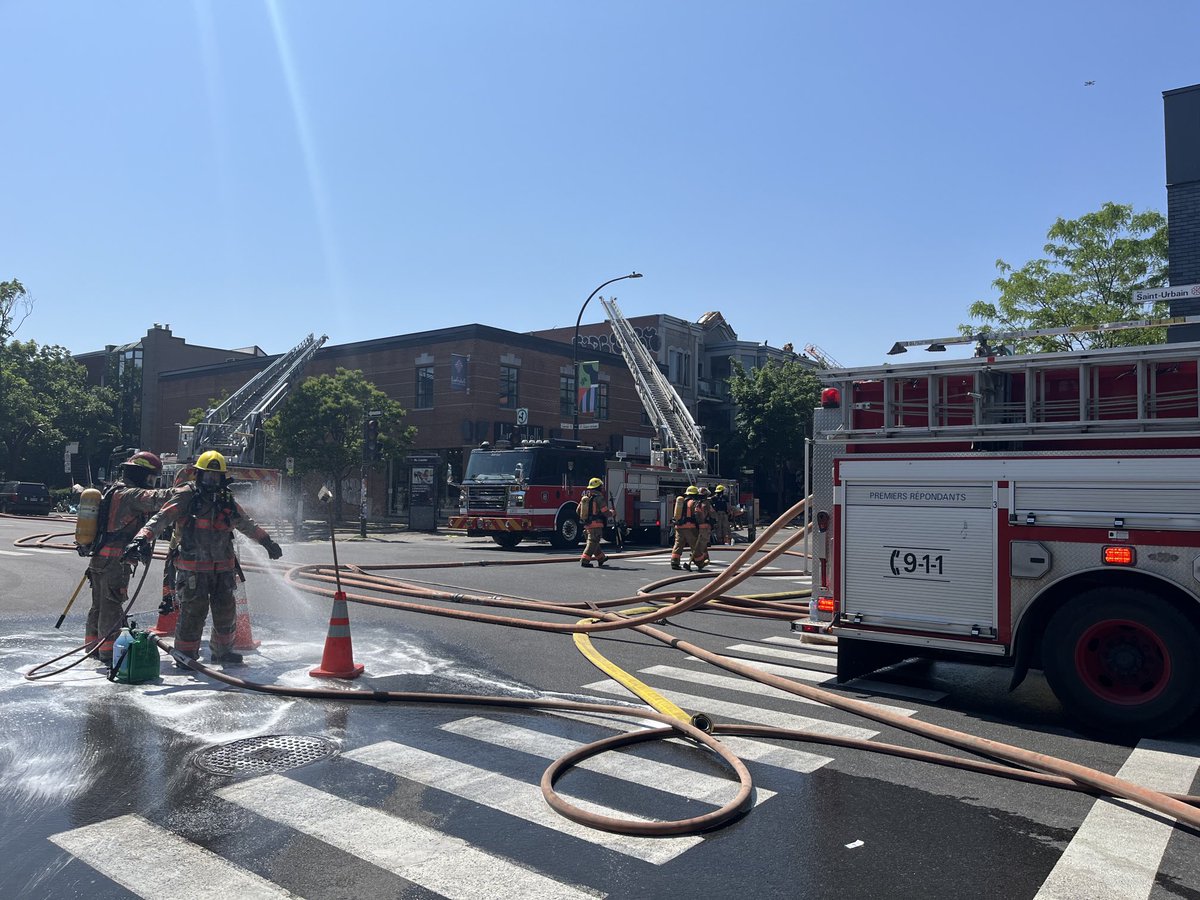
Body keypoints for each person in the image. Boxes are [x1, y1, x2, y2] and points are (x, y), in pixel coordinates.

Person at [125, 450, 282, 667]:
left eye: (215, 477)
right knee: (192, 614)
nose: (211, 481)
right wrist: (141, 539)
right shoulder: (186, 495)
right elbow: (161, 518)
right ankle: (185, 655)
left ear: (222, 478)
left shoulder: (227, 499)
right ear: (198, 475)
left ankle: (223, 652)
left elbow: (246, 524)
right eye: (207, 476)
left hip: (223, 570)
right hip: (193, 570)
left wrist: (267, 542)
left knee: (226, 613)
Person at [81, 451, 171, 666]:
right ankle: (109, 653)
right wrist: (187, 490)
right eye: (150, 478)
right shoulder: (132, 495)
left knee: (98, 606)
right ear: (141, 475)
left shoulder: (113, 490)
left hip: (99, 559)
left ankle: (91, 647)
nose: (151, 483)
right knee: (111, 606)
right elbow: (159, 499)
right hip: (115, 561)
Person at [578, 476, 610, 568]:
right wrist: (612, 513)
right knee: (592, 542)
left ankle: (601, 558)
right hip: (596, 524)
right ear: (599, 487)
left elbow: (578, 511)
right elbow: (605, 512)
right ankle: (585, 560)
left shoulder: (585, 497)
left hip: (587, 524)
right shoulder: (599, 498)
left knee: (594, 542)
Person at [670, 485, 699, 570]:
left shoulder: (681, 502)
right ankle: (699, 562)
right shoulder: (693, 503)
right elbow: (696, 515)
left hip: (679, 526)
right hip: (689, 527)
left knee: (678, 544)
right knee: (695, 545)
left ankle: (674, 562)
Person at [692, 486, 715, 570]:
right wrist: (713, 522)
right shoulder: (706, 503)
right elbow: (712, 514)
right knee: (702, 544)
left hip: (697, 526)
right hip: (705, 526)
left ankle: (706, 558)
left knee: (702, 543)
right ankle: (699, 560)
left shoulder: (697, 503)